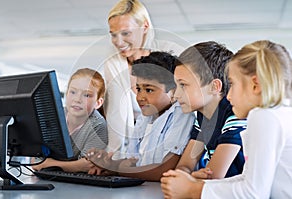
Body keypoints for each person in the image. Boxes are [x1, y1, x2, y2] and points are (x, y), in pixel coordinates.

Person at [161, 40, 292, 198]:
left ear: (255, 85)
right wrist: (195, 184)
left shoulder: (263, 116)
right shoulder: (277, 114)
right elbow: (246, 181)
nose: (228, 95)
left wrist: (193, 189)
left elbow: (253, 193)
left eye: (232, 83)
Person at [87, 51, 195, 181]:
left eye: (149, 90)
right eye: (138, 89)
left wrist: (117, 171)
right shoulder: (146, 116)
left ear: (173, 91)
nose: (140, 97)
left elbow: (165, 171)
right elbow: (133, 162)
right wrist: (107, 165)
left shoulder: (182, 115)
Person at [103, 0, 186, 157]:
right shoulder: (114, 64)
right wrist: (114, 156)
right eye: (113, 35)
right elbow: (116, 113)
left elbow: (184, 105)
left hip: (171, 139)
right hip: (137, 142)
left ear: (145, 27)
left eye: (125, 33)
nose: (118, 42)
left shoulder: (172, 53)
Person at [169, 41, 247, 181]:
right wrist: (188, 175)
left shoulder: (235, 115)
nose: (176, 95)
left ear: (214, 86)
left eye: (183, 85)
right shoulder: (203, 117)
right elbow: (184, 166)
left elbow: (214, 176)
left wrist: (190, 177)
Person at [32, 68, 108, 173]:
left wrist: (47, 163)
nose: (77, 99)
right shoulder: (52, 116)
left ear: (98, 103)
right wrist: (75, 165)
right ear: (66, 93)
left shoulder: (99, 126)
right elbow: (35, 161)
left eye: (86, 95)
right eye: (73, 92)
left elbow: (87, 166)